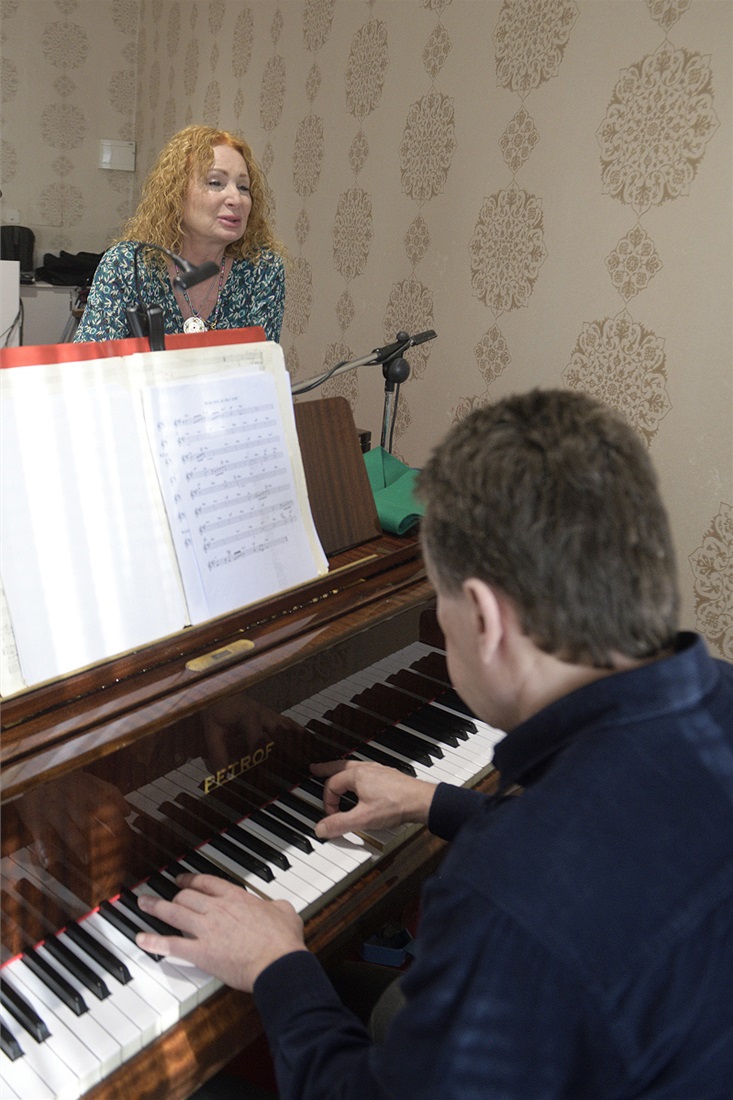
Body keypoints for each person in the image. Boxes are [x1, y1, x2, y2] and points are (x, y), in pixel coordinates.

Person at [137, 389, 733, 1099]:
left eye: (437, 598)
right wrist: (435, 801)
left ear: (482, 616)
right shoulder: (716, 701)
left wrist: (275, 964)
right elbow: (622, 853)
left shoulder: (509, 894)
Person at [74, 124, 285, 344]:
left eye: (243, 187)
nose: (236, 199)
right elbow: (90, 358)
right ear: (177, 194)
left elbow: (262, 361)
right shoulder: (128, 264)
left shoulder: (262, 269)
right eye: (215, 183)